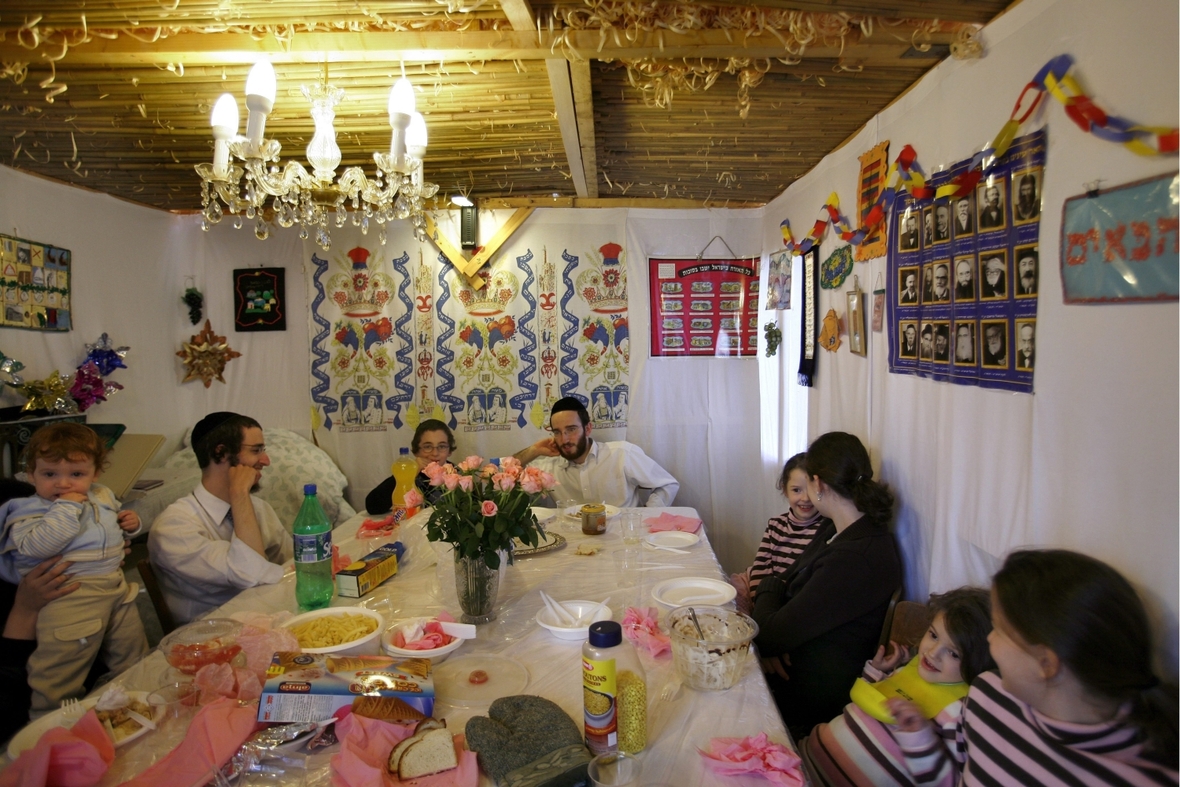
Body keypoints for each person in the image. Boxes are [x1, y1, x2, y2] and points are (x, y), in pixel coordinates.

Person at [889, 550, 1179, 785]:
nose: (989, 639)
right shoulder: (986, 695)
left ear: (1046, 664)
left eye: (1000, 630)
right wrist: (920, 742)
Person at [752, 432, 901, 738]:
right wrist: (772, 630)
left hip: (811, 701)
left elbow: (767, 633)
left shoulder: (856, 558)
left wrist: (769, 613)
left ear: (818, 484)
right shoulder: (838, 527)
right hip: (795, 663)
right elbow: (784, 584)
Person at [0, 423, 147, 715]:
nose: (63, 484)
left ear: (95, 474)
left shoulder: (102, 495)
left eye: (76, 475)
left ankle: (134, 707)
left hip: (116, 588)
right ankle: (50, 724)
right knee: (60, 668)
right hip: (71, 594)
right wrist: (66, 508)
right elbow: (36, 547)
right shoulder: (29, 510)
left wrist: (130, 525)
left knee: (133, 657)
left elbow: (110, 529)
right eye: (50, 474)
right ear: (31, 475)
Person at [800, 588, 996, 787]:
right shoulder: (910, 668)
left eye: (954, 654)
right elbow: (865, 707)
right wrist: (875, 673)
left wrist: (921, 736)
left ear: (978, 664)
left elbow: (949, 783)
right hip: (803, 756)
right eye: (933, 635)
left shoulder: (959, 713)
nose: (932, 653)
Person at [148, 412, 293, 625]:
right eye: (256, 451)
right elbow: (251, 574)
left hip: (268, 619)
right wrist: (239, 494)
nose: (266, 460)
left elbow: (293, 565)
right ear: (222, 453)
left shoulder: (259, 508)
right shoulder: (174, 527)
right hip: (210, 640)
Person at [514, 397, 678, 508]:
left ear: (588, 428)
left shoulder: (621, 454)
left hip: (621, 539)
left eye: (571, 430)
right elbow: (495, 473)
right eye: (557, 432)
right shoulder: (548, 468)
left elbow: (668, 484)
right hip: (573, 544)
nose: (564, 440)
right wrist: (534, 450)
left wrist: (645, 516)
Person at [729, 453, 824, 614]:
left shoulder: (824, 530)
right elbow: (761, 568)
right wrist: (759, 604)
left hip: (789, 600)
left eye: (811, 491)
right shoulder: (776, 525)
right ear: (785, 490)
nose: (805, 498)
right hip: (763, 592)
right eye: (796, 490)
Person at [366, 419, 456, 514]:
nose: (435, 453)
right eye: (427, 447)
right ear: (416, 451)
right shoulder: (411, 471)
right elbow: (372, 507)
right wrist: (409, 474)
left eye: (442, 446)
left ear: (449, 451)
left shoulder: (458, 474)